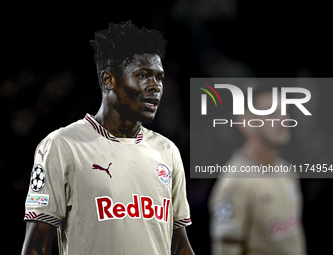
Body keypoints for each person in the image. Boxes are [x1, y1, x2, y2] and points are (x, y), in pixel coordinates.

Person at [21, 21, 194, 255]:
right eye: (143, 75)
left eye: (159, 77)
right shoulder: (62, 146)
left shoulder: (167, 151)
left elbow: (179, 245)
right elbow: (36, 247)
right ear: (108, 80)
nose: (155, 86)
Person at [209, 87, 307, 255]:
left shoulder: (286, 170)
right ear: (246, 124)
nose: (283, 119)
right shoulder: (235, 183)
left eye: (285, 111)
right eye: (271, 114)